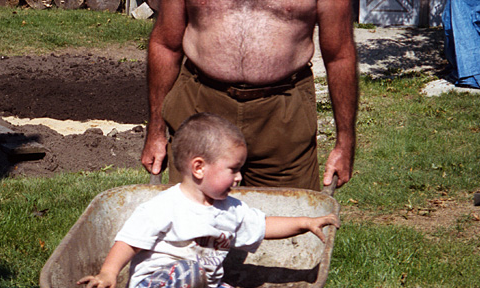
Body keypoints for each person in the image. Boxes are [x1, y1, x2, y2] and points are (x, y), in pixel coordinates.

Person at [78, 113, 339, 288]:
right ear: (199, 167)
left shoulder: (231, 209)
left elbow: (264, 225)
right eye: (233, 170)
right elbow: (129, 241)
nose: (239, 178)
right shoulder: (165, 206)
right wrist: (108, 272)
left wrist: (305, 222)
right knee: (190, 273)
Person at [140, 0, 358, 191]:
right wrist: (156, 131)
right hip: (200, 107)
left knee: (290, 223)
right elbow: (166, 45)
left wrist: (345, 143)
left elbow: (339, 55)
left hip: (283, 116)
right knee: (194, 227)